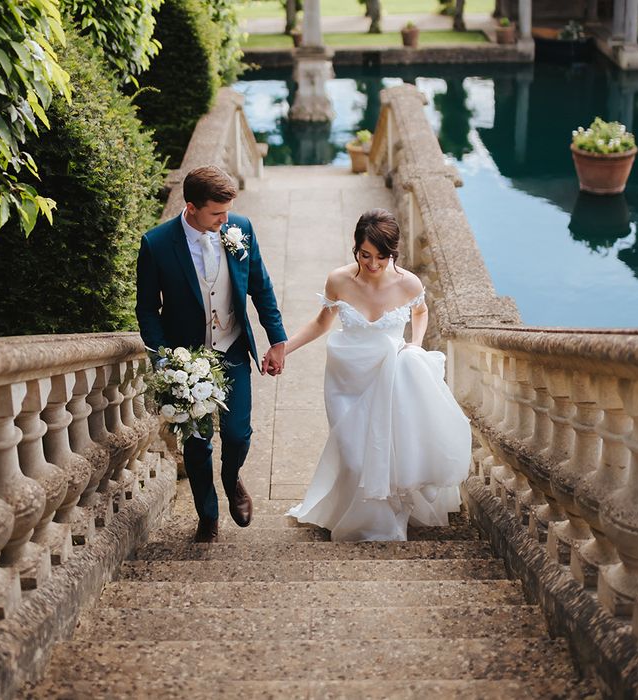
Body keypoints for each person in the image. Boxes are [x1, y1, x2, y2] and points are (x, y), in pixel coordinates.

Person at [284, 209, 471, 542]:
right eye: (364, 255)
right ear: (355, 246)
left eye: (381, 257)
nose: (372, 264)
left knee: (384, 451)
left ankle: (380, 523)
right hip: (346, 377)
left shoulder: (409, 282)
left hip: (390, 375)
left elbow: (422, 311)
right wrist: (284, 348)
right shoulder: (338, 279)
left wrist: (414, 344)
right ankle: (355, 517)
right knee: (353, 454)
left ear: (392, 253)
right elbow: (321, 323)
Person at [136, 165, 287, 543]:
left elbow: (261, 287)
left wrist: (277, 339)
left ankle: (232, 477)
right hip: (187, 360)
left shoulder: (240, 228)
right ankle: (207, 514)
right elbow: (146, 309)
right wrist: (164, 359)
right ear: (190, 207)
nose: (225, 219)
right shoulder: (156, 244)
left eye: (226, 212)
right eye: (216, 214)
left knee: (237, 434)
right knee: (197, 444)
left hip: (232, 347)